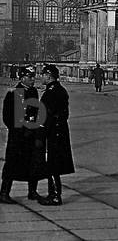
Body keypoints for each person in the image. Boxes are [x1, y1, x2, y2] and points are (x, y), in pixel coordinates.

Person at [1, 66, 46, 204]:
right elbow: (8, 117)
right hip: (18, 136)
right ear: (22, 78)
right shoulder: (14, 92)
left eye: (33, 77)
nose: (33, 79)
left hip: (31, 133)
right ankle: (4, 192)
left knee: (33, 162)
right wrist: (18, 131)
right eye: (30, 77)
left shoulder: (32, 91)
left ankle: (32, 192)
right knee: (12, 163)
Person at [38, 64, 74, 206]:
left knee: (52, 165)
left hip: (53, 132)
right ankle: (54, 194)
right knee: (54, 164)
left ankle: (54, 196)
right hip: (60, 131)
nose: (41, 77)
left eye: (43, 74)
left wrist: (40, 134)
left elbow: (45, 116)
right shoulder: (60, 90)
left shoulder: (51, 92)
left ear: (48, 75)